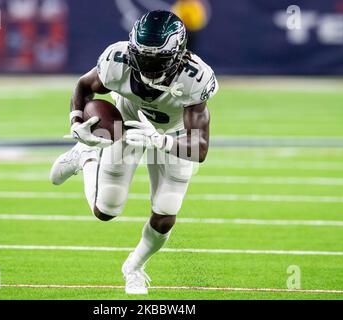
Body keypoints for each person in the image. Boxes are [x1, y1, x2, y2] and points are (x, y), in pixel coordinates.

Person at [50, 10, 218, 294]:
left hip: (174, 136)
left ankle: (135, 267)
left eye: (158, 60)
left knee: (166, 213)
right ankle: (86, 156)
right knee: (106, 210)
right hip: (127, 124)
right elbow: (83, 86)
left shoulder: (195, 78)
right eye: (144, 58)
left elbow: (200, 148)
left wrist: (161, 141)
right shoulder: (118, 62)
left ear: (179, 55)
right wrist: (77, 121)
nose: (149, 67)